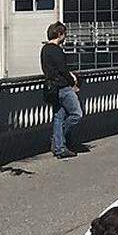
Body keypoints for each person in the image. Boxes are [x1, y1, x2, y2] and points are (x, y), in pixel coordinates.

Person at [41, 22, 83, 160]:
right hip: (62, 87)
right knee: (76, 114)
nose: (65, 37)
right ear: (59, 34)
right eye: (64, 34)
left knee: (58, 117)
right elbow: (62, 69)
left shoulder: (45, 49)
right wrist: (73, 82)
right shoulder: (56, 50)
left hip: (51, 88)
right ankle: (58, 140)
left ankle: (59, 148)